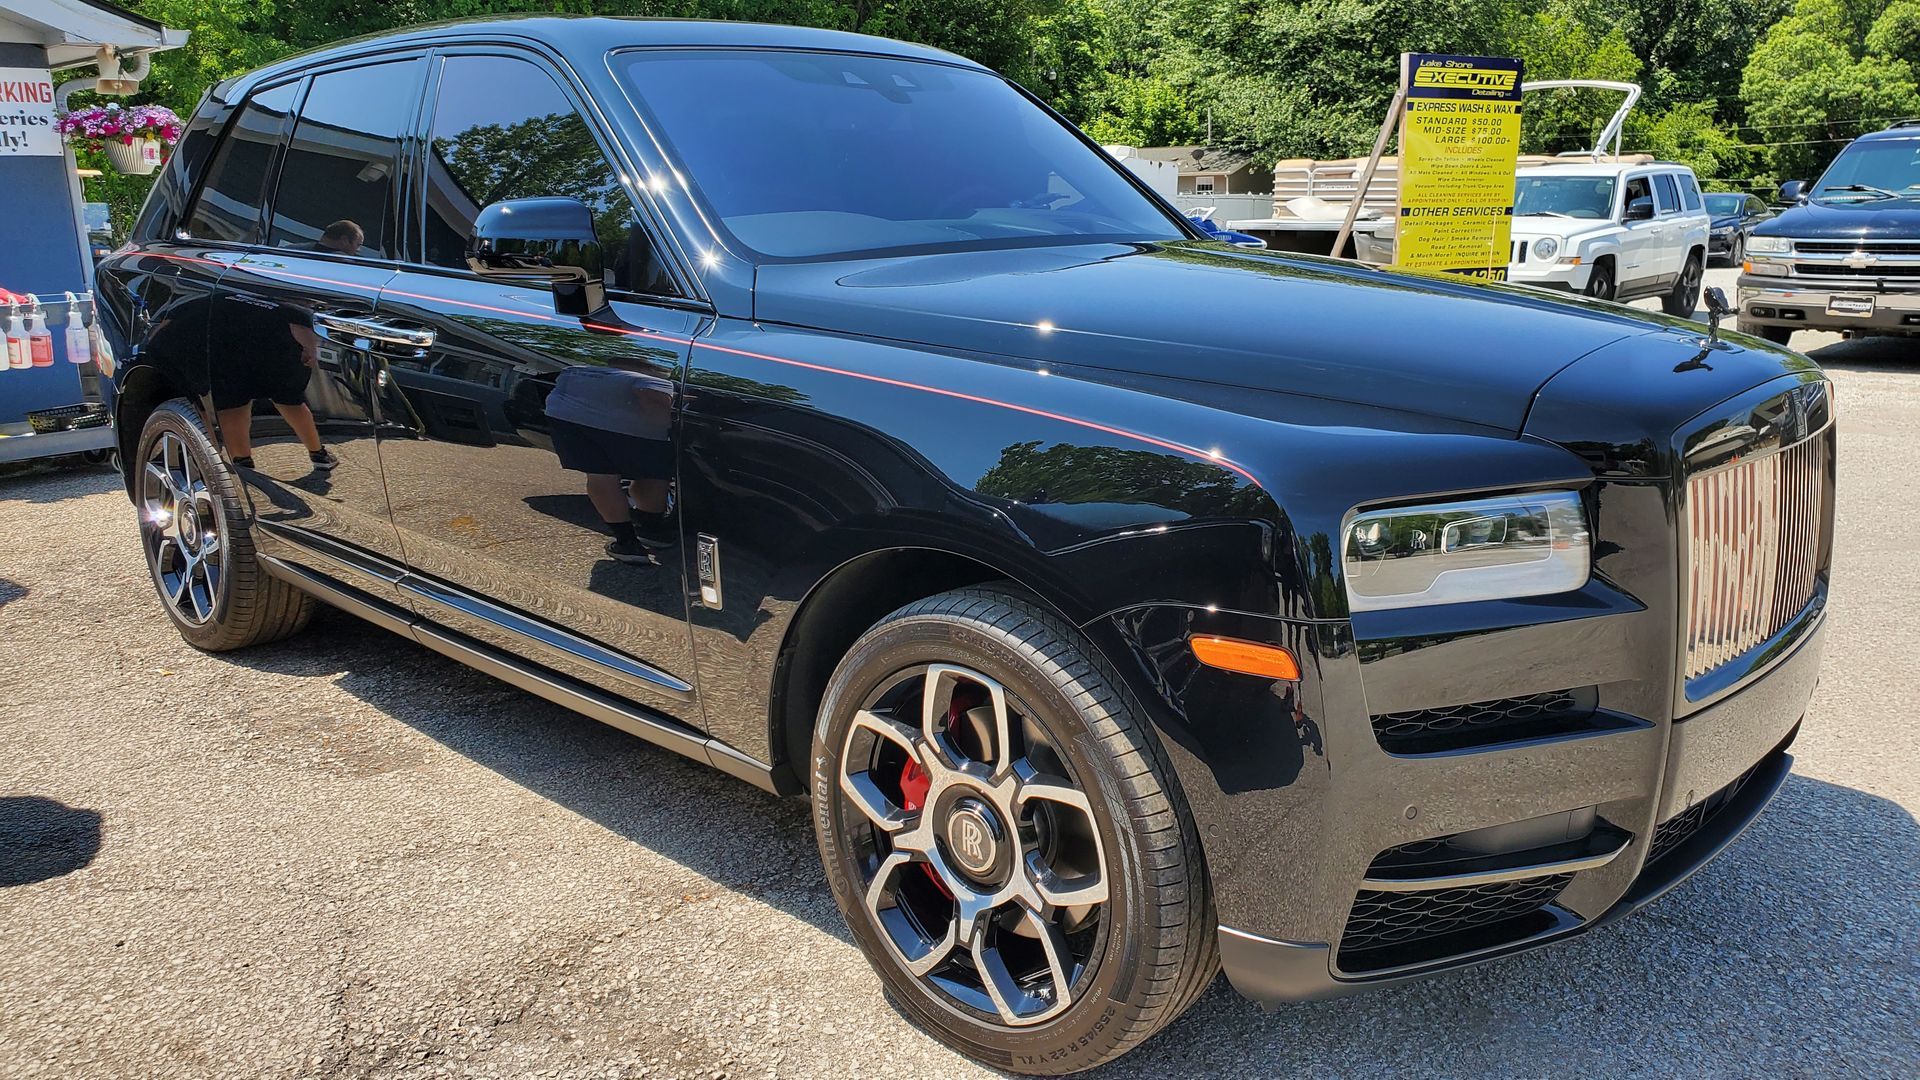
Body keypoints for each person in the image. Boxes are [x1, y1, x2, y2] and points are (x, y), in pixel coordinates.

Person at [544, 364, 675, 564]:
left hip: (571, 407)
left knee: (638, 472)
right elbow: (649, 395)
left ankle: (640, 535)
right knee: (609, 473)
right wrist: (670, 426)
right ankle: (632, 539)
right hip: (588, 415)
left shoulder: (599, 369)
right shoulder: (649, 376)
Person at [209, 292, 336, 472]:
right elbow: (299, 325)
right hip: (279, 357)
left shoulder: (225, 293)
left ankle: (242, 461)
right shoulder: (286, 301)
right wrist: (310, 350)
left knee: (232, 406)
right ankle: (318, 453)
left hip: (230, 354)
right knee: (290, 402)